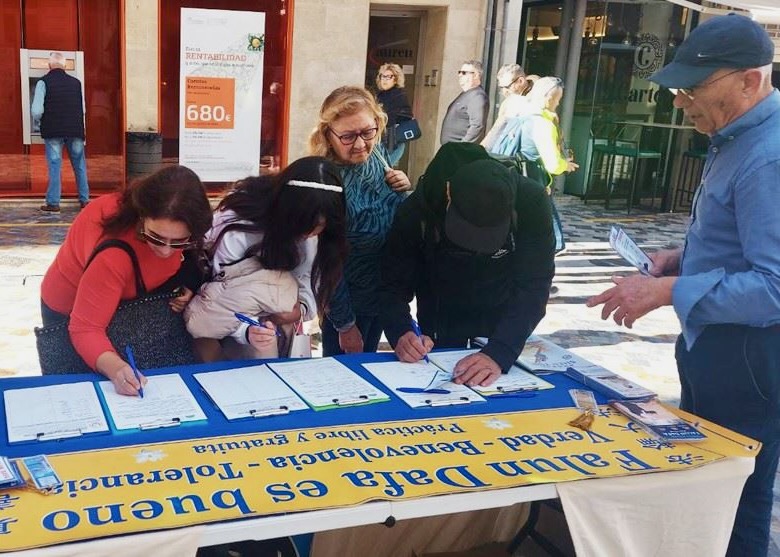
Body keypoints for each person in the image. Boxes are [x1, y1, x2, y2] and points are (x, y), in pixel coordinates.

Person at [585, 14, 779, 555]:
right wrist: (681, 259)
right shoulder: (739, 137)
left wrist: (669, 291)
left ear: (749, 81)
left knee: (734, 497)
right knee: (707, 489)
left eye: (694, 87)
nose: (680, 102)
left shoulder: (768, 155)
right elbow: (738, 242)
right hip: (717, 346)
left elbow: (774, 286)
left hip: (748, 354)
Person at [380, 143, 555, 386]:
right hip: (440, 316)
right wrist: (401, 331)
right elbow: (392, 284)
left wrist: (499, 352)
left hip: (500, 316)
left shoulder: (530, 202)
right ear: (449, 193)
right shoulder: (417, 211)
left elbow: (534, 285)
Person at [40, 165, 212, 395]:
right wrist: (117, 369)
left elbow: (191, 259)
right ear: (142, 217)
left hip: (125, 302)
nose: (165, 251)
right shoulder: (114, 256)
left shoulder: (175, 233)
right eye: (156, 238)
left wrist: (189, 284)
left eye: (179, 242)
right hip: (70, 307)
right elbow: (85, 328)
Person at [184, 156, 347, 362]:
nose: (309, 233)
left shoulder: (321, 236)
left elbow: (311, 277)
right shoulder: (239, 226)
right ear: (285, 209)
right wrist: (247, 329)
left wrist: (300, 310)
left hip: (279, 325)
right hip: (230, 326)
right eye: (302, 223)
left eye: (320, 226)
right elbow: (221, 297)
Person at [308, 86, 412, 356]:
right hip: (348, 306)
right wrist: (344, 325)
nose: (360, 144)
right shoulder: (324, 180)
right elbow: (325, 263)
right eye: (347, 136)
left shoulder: (378, 158)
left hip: (384, 296)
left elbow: (397, 221)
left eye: (368, 132)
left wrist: (404, 192)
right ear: (328, 134)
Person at [519, 76, 578, 255]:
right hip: (534, 179)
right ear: (548, 98)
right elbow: (552, 164)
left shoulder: (522, 113)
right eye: (557, 99)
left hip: (518, 175)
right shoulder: (543, 124)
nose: (558, 104)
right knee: (543, 234)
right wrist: (565, 166)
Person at [32, 52, 90, 213]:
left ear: (50, 65)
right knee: (79, 164)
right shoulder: (76, 83)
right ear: (64, 66)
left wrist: (38, 122)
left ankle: (53, 203)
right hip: (75, 130)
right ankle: (85, 200)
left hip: (53, 130)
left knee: (55, 165)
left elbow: (37, 110)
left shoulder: (43, 82)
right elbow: (83, 109)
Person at [481, 64, 532, 152]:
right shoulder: (508, 102)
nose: (505, 92)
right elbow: (497, 129)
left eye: (507, 87)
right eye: (501, 88)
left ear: (521, 81)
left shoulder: (537, 100)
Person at [440, 60, 489, 145]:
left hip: (459, 150)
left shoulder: (477, 96)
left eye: (464, 73)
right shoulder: (467, 93)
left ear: (476, 75)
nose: (460, 75)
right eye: (459, 72)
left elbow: (477, 126)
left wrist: (462, 147)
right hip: (451, 149)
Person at [375, 63, 414, 167]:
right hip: (381, 137)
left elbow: (391, 117)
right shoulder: (380, 95)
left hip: (394, 138)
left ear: (395, 79)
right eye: (382, 76)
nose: (384, 79)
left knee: (384, 168)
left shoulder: (399, 95)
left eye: (389, 77)